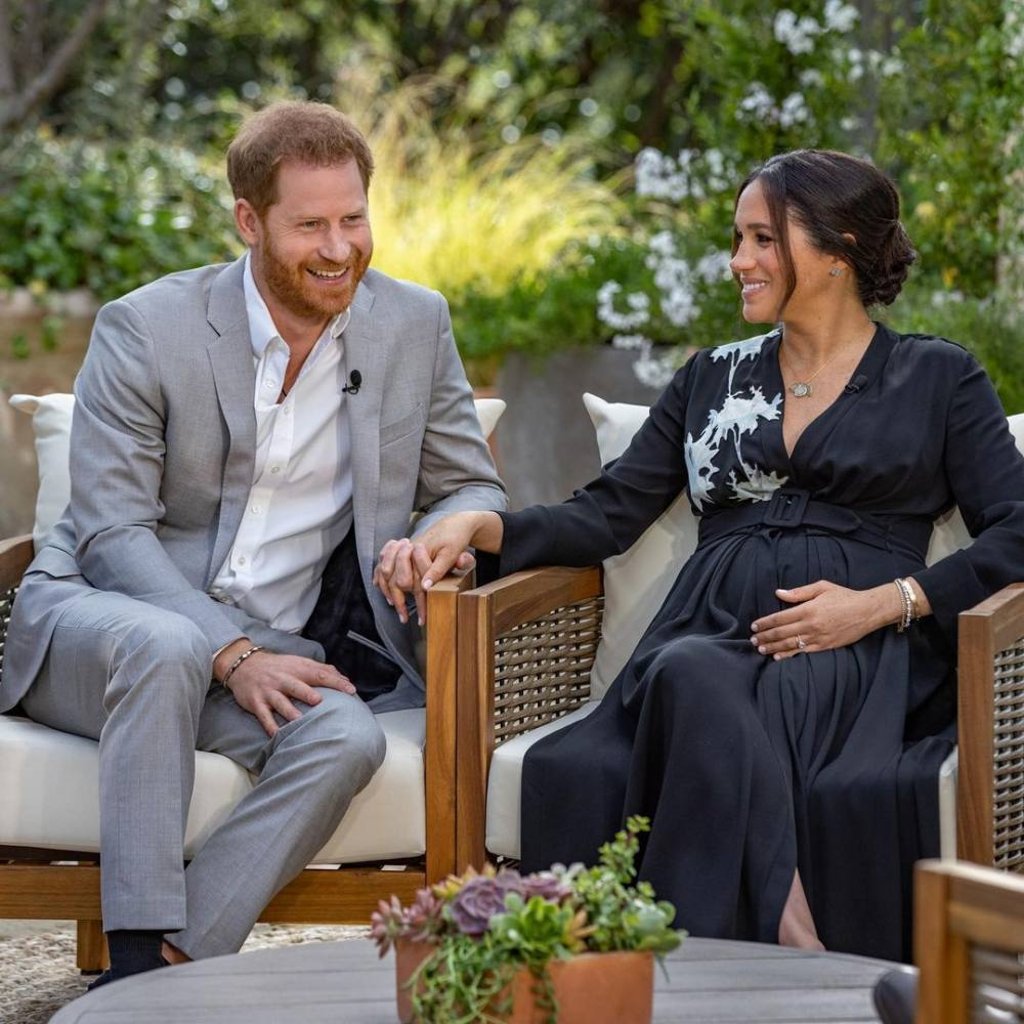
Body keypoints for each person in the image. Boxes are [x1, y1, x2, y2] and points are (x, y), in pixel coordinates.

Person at [375, 149, 1024, 961]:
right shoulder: (710, 379)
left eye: (763, 239)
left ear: (839, 250)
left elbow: (1016, 528)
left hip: (855, 650)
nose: (739, 260)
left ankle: (708, 964)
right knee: (684, 675)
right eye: (738, 239)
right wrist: (482, 526)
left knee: (691, 678)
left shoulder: (937, 377)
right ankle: (791, 935)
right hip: (710, 629)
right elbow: (606, 514)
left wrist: (885, 604)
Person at [0, 100, 506, 986]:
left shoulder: (413, 324)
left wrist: (443, 529)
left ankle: (169, 965)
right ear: (249, 221)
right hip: (99, 626)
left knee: (345, 737)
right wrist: (232, 654)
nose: (340, 248)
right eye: (310, 226)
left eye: (353, 219)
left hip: (269, 648)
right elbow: (112, 535)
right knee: (165, 644)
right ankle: (133, 958)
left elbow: (471, 483)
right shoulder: (146, 327)